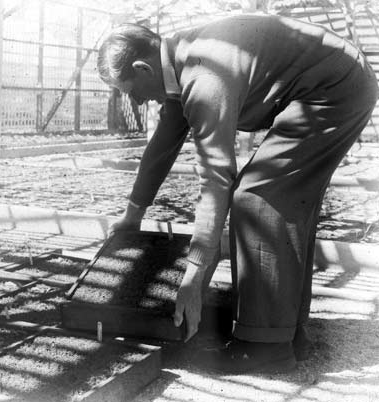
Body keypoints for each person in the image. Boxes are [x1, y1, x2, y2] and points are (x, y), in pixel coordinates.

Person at [97, 13, 378, 373]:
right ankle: (286, 331)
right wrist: (133, 213)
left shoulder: (202, 76)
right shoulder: (181, 61)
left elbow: (216, 176)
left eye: (130, 91)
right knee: (283, 199)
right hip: (335, 81)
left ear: (143, 67)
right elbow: (161, 146)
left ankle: (264, 350)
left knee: (257, 198)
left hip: (334, 90)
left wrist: (196, 272)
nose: (136, 102)